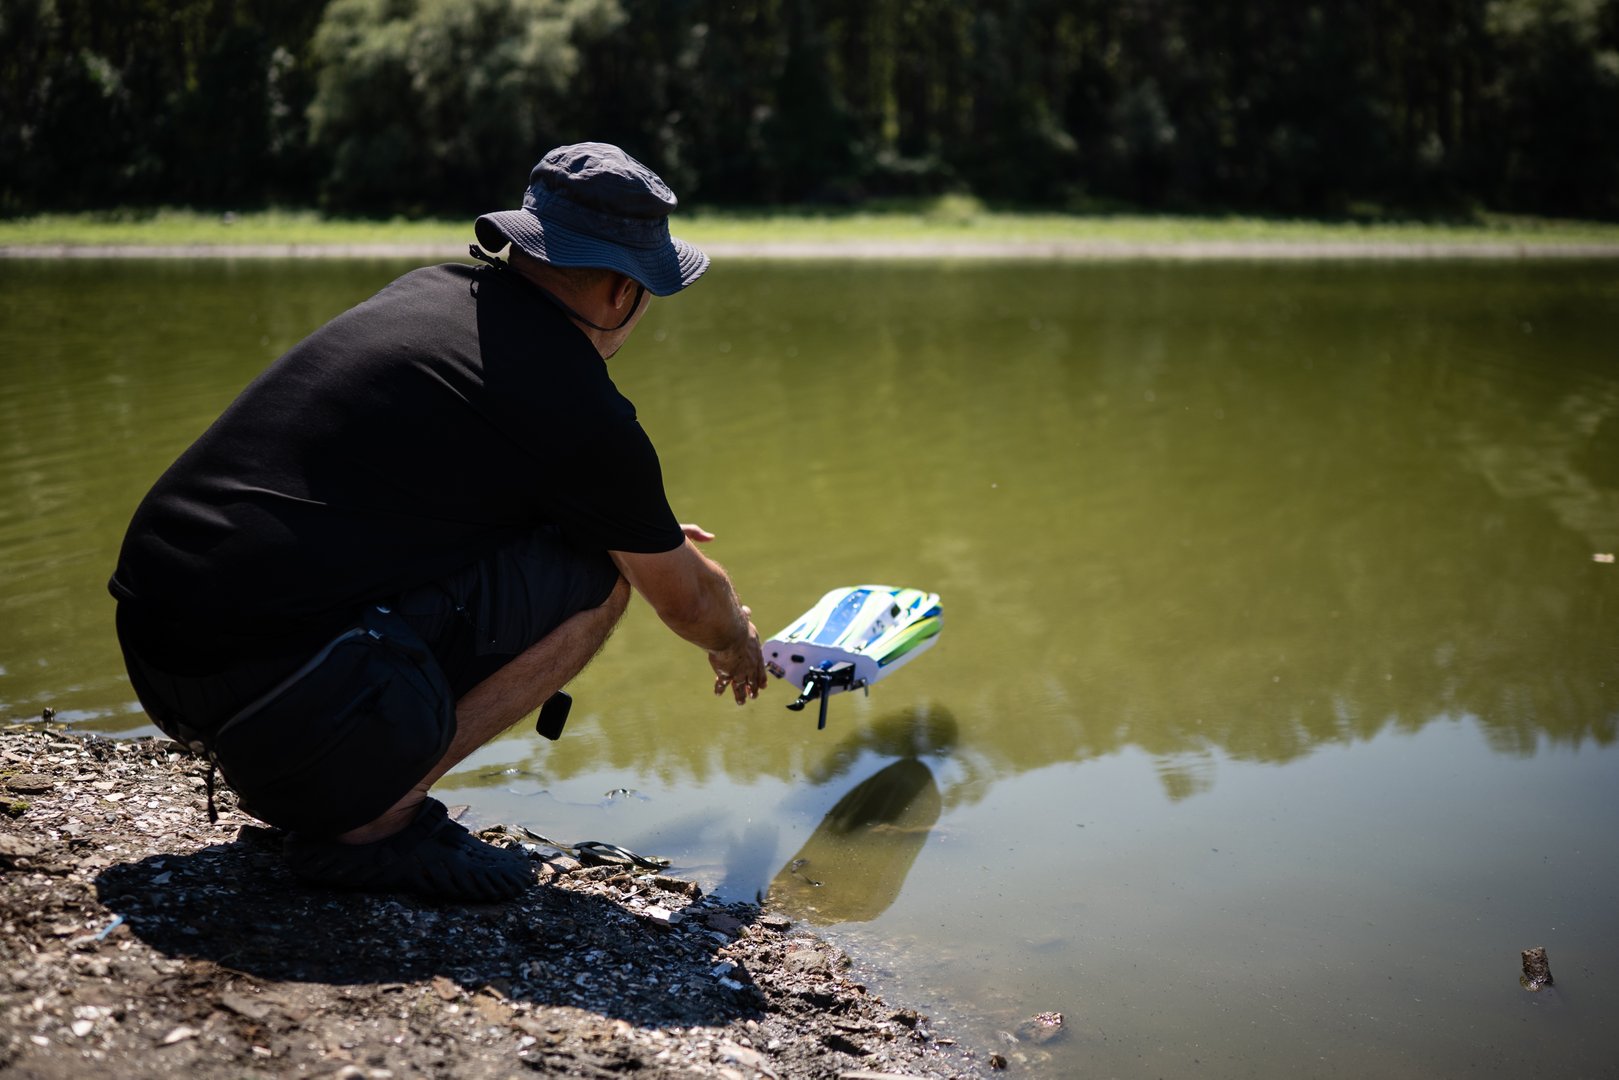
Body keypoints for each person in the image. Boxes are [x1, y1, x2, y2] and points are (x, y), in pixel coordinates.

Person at [108, 142, 769, 903]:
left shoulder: (429, 296)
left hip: (158, 653)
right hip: (272, 684)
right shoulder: (577, 403)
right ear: (623, 292)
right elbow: (685, 602)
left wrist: (627, 527)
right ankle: (371, 817)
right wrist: (736, 638)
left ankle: (326, 771)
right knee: (599, 575)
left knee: (597, 545)